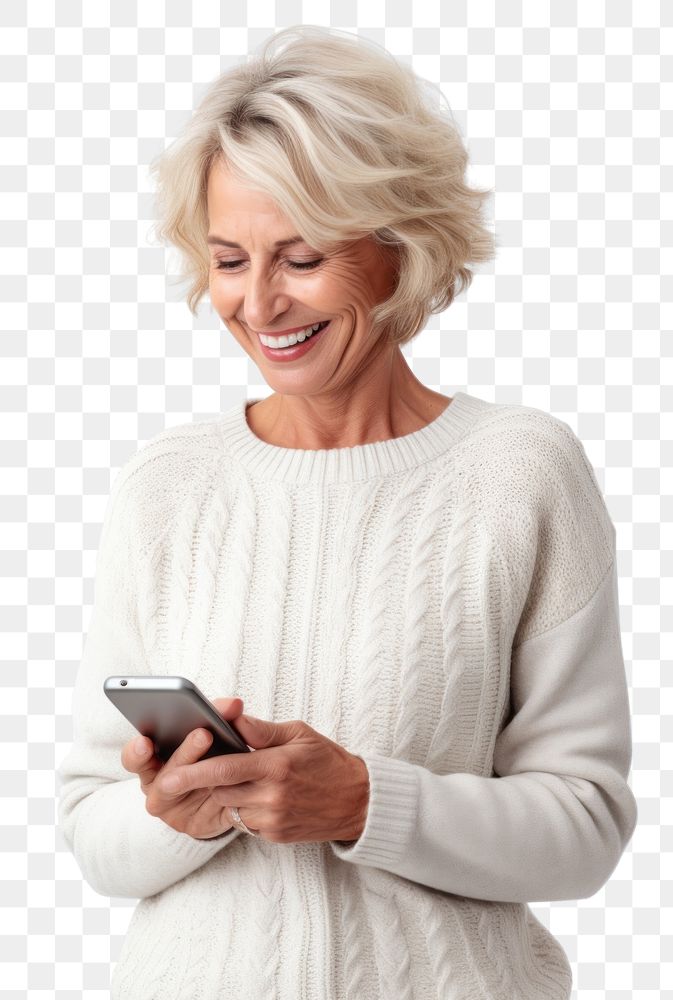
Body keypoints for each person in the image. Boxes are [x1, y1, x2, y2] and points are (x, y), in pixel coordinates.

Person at [56, 24, 638, 999]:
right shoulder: (168, 483)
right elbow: (90, 827)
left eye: (301, 256)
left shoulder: (519, 471)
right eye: (230, 259)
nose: (259, 303)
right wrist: (179, 811)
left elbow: (582, 830)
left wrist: (366, 800)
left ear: (396, 245)